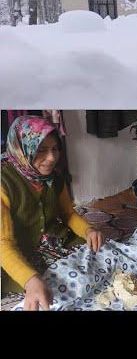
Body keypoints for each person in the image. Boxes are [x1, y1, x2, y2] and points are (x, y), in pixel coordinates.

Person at [1, 115, 104, 310]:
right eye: (41, 150)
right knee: (50, 292)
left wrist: (89, 230)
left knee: (97, 259)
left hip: (52, 239)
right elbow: (3, 243)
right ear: (22, 149)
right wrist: (30, 280)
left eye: (55, 149)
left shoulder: (55, 178)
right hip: (16, 250)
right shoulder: (3, 183)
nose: (52, 158)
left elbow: (68, 214)